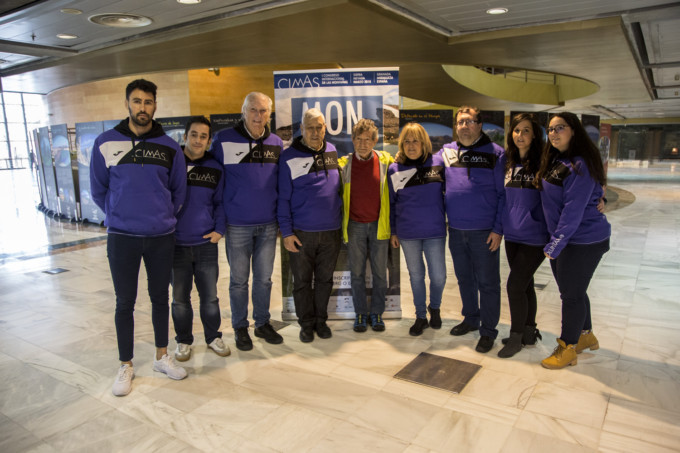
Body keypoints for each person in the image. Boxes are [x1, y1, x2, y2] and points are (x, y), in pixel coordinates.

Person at [90, 79, 188, 397]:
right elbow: (98, 189)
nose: (142, 107)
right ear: (127, 104)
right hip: (122, 237)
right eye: (136, 101)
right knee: (125, 303)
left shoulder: (171, 148)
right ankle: (126, 364)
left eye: (148, 102)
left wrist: (162, 215)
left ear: (155, 106)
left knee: (161, 299)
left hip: (161, 236)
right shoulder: (105, 142)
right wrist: (120, 213)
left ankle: (161, 356)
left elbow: (178, 191)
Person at [536, 112, 610, 369]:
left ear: (574, 131)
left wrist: (555, 244)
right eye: (551, 129)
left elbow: (573, 210)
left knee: (571, 295)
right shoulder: (558, 159)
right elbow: (597, 189)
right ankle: (586, 335)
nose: (554, 133)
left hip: (583, 240)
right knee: (574, 291)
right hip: (567, 239)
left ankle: (567, 348)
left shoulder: (580, 164)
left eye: (560, 128)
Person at [210, 92, 284, 351]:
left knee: (264, 279)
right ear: (243, 112)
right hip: (237, 225)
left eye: (263, 111)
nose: (258, 116)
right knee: (239, 281)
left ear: (269, 115)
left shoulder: (276, 143)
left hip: (268, 225)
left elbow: (281, 185)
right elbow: (213, 182)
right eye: (253, 110)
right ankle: (240, 326)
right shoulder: (223, 140)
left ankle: (262, 323)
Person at [440, 106, 505, 353]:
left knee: (488, 283)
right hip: (456, 231)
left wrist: (498, 229)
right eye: (460, 122)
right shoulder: (447, 152)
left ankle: (488, 331)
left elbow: (503, 195)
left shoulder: (496, 154)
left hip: (484, 232)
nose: (464, 126)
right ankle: (470, 318)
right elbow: (421, 161)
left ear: (479, 125)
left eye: (469, 121)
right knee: (464, 278)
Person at [278, 108, 342, 343]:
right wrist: (286, 232)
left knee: (325, 280)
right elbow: (283, 198)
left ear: (325, 127)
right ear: (301, 129)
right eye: (310, 128)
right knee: (302, 282)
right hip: (301, 233)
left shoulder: (333, 151)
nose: (315, 132)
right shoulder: (288, 157)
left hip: (331, 232)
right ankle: (306, 324)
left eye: (319, 127)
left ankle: (320, 321)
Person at [172, 116, 230, 362]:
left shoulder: (215, 167)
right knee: (179, 299)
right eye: (193, 134)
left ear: (209, 140)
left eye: (203, 136)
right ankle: (184, 341)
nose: (198, 140)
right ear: (185, 136)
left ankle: (213, 337)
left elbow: (220, 202)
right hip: (175, 244)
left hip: (206, 243)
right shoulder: (172, 165)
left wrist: (219, 230)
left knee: (210, 297)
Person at [497, 113, 548, 358]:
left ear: (535, 134)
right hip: (513, 235)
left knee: (514, 286)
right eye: (517, 130)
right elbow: (501, 197)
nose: (520, 135)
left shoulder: (545, 162)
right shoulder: (506, 162)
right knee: (525, 285)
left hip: (535, 236)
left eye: (526, 130)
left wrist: (598, 198)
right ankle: (529, 332)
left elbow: (564, 192)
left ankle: (516, 336)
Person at [388, 123, 446, 336]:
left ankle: (435, 307)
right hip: (408, 233)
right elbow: (392, 204)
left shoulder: (438, 164)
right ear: (401, 144)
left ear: (424, 143)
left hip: (435, 231)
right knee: (416, 276)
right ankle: (421, 316)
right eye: (406, 141)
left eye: (415, 141)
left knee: (439, 277)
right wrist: (394, 231)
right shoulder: (394, 169)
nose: (411, 146)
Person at [339, 119, 393, 333]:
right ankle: (360, 313)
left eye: (367, 139)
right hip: (355, 227)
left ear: (375, 140)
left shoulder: (385, 161)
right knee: (357, 274)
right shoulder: (344, 164)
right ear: (352, 140)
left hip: (379, 226)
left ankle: (377, 313)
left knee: (380, 274)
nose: (363, 144)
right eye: (358, 139)